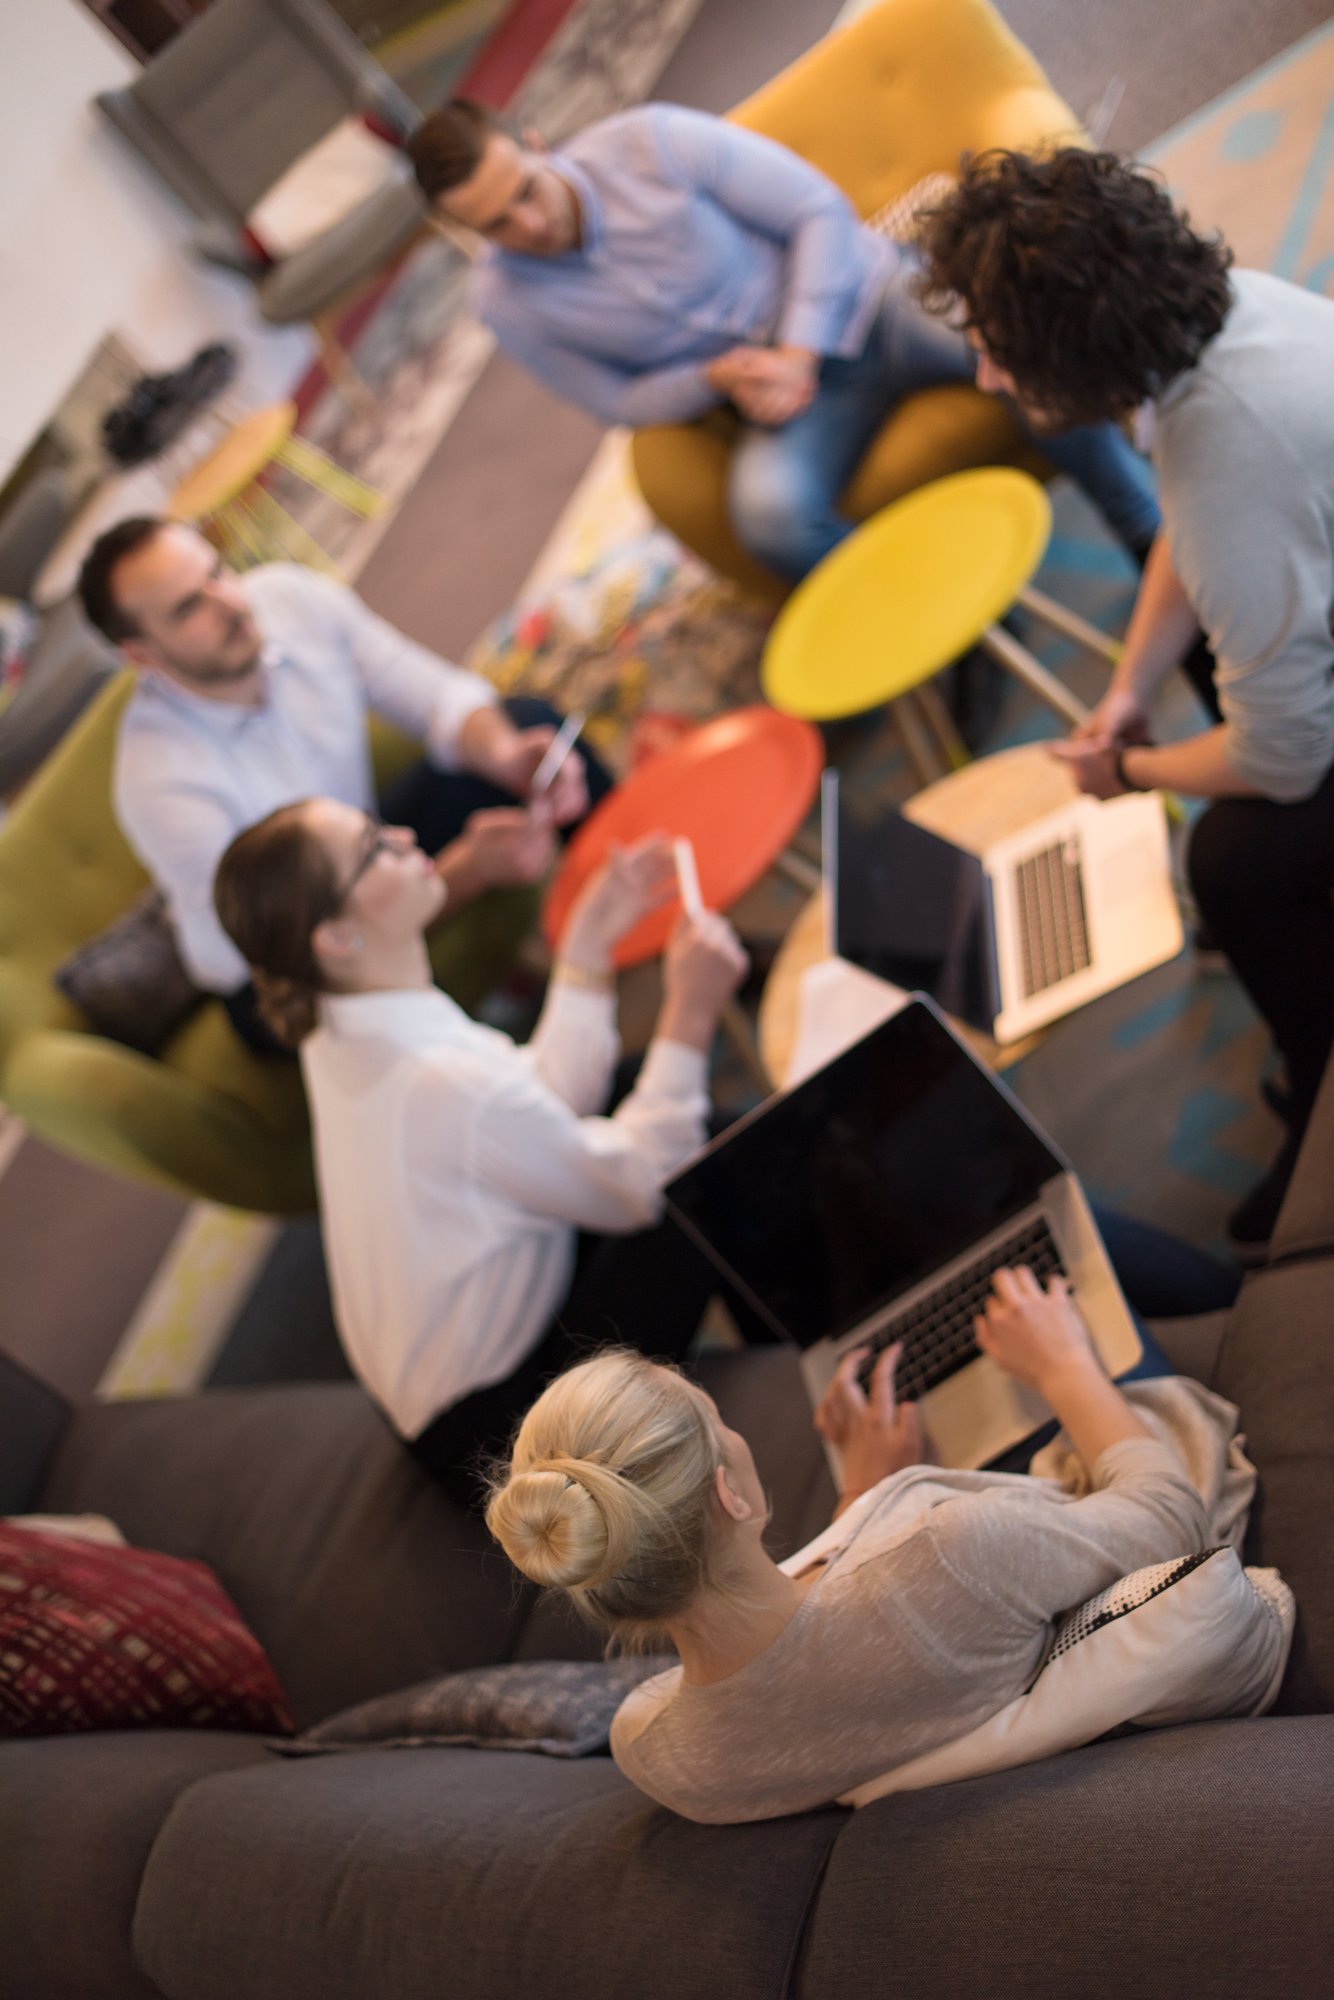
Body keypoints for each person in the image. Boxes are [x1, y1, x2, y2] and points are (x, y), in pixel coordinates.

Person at [913, 148, 1334, 1253]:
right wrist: (1125, 690)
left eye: (996, 352)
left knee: (1232, 858)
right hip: (1293, 567)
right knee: (1208, 689)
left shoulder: (1227, 458)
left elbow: (1285, 758)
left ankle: (1317, 1068)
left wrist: (1125, 773)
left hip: (1300, 640)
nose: (984, 379)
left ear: (1070, 350)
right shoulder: (1215, 320)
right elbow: (1188, 542)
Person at [486, 1266, 1259, 1824]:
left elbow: (821, 1669)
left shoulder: (661, 1753)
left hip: (984, 1579)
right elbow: (1167, 1516)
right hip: (1099, 1516)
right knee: (1087, 1266)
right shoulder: (946, 1550)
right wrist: (1061, 1363)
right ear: (729, 1494)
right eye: (718, 1419)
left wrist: (861, 1500)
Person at [213, 804, 751, 1502]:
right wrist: (693, 1013)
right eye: (375, 849)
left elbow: (529, 1104)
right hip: (510, 1436)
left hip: (446, 1386)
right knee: (713, 1172)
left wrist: (587, 945)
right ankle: (839, 1346)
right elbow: (638, 1189)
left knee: (649, 1096)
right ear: (338, 938)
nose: (408, 837)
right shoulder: (431, 1077)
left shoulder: (342, 1023)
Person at [407, 100, 1161, 584]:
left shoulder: (651, 142)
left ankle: (1144, 528)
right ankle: (971, 621)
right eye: (495, 225)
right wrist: (719, 376)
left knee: (1021, 348)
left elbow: (814, 211)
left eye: (525, 192)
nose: (528, 228)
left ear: (537, 143)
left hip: (869, 300)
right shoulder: (504, 303)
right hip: (778, 400)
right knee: (771, 522)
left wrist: (797, 348)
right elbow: (613, 400)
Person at [77, 517, 607, 1049]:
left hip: (362, 846)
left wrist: (506, 756)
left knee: (527, 724)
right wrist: (468, 868)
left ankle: (638, 883)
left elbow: (435, 697)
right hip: (277, 969)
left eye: (218, 572)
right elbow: (321, 950)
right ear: (141, 653)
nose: (230, 604)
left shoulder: (288, 599)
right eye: (189, 607)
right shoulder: (162, 787)